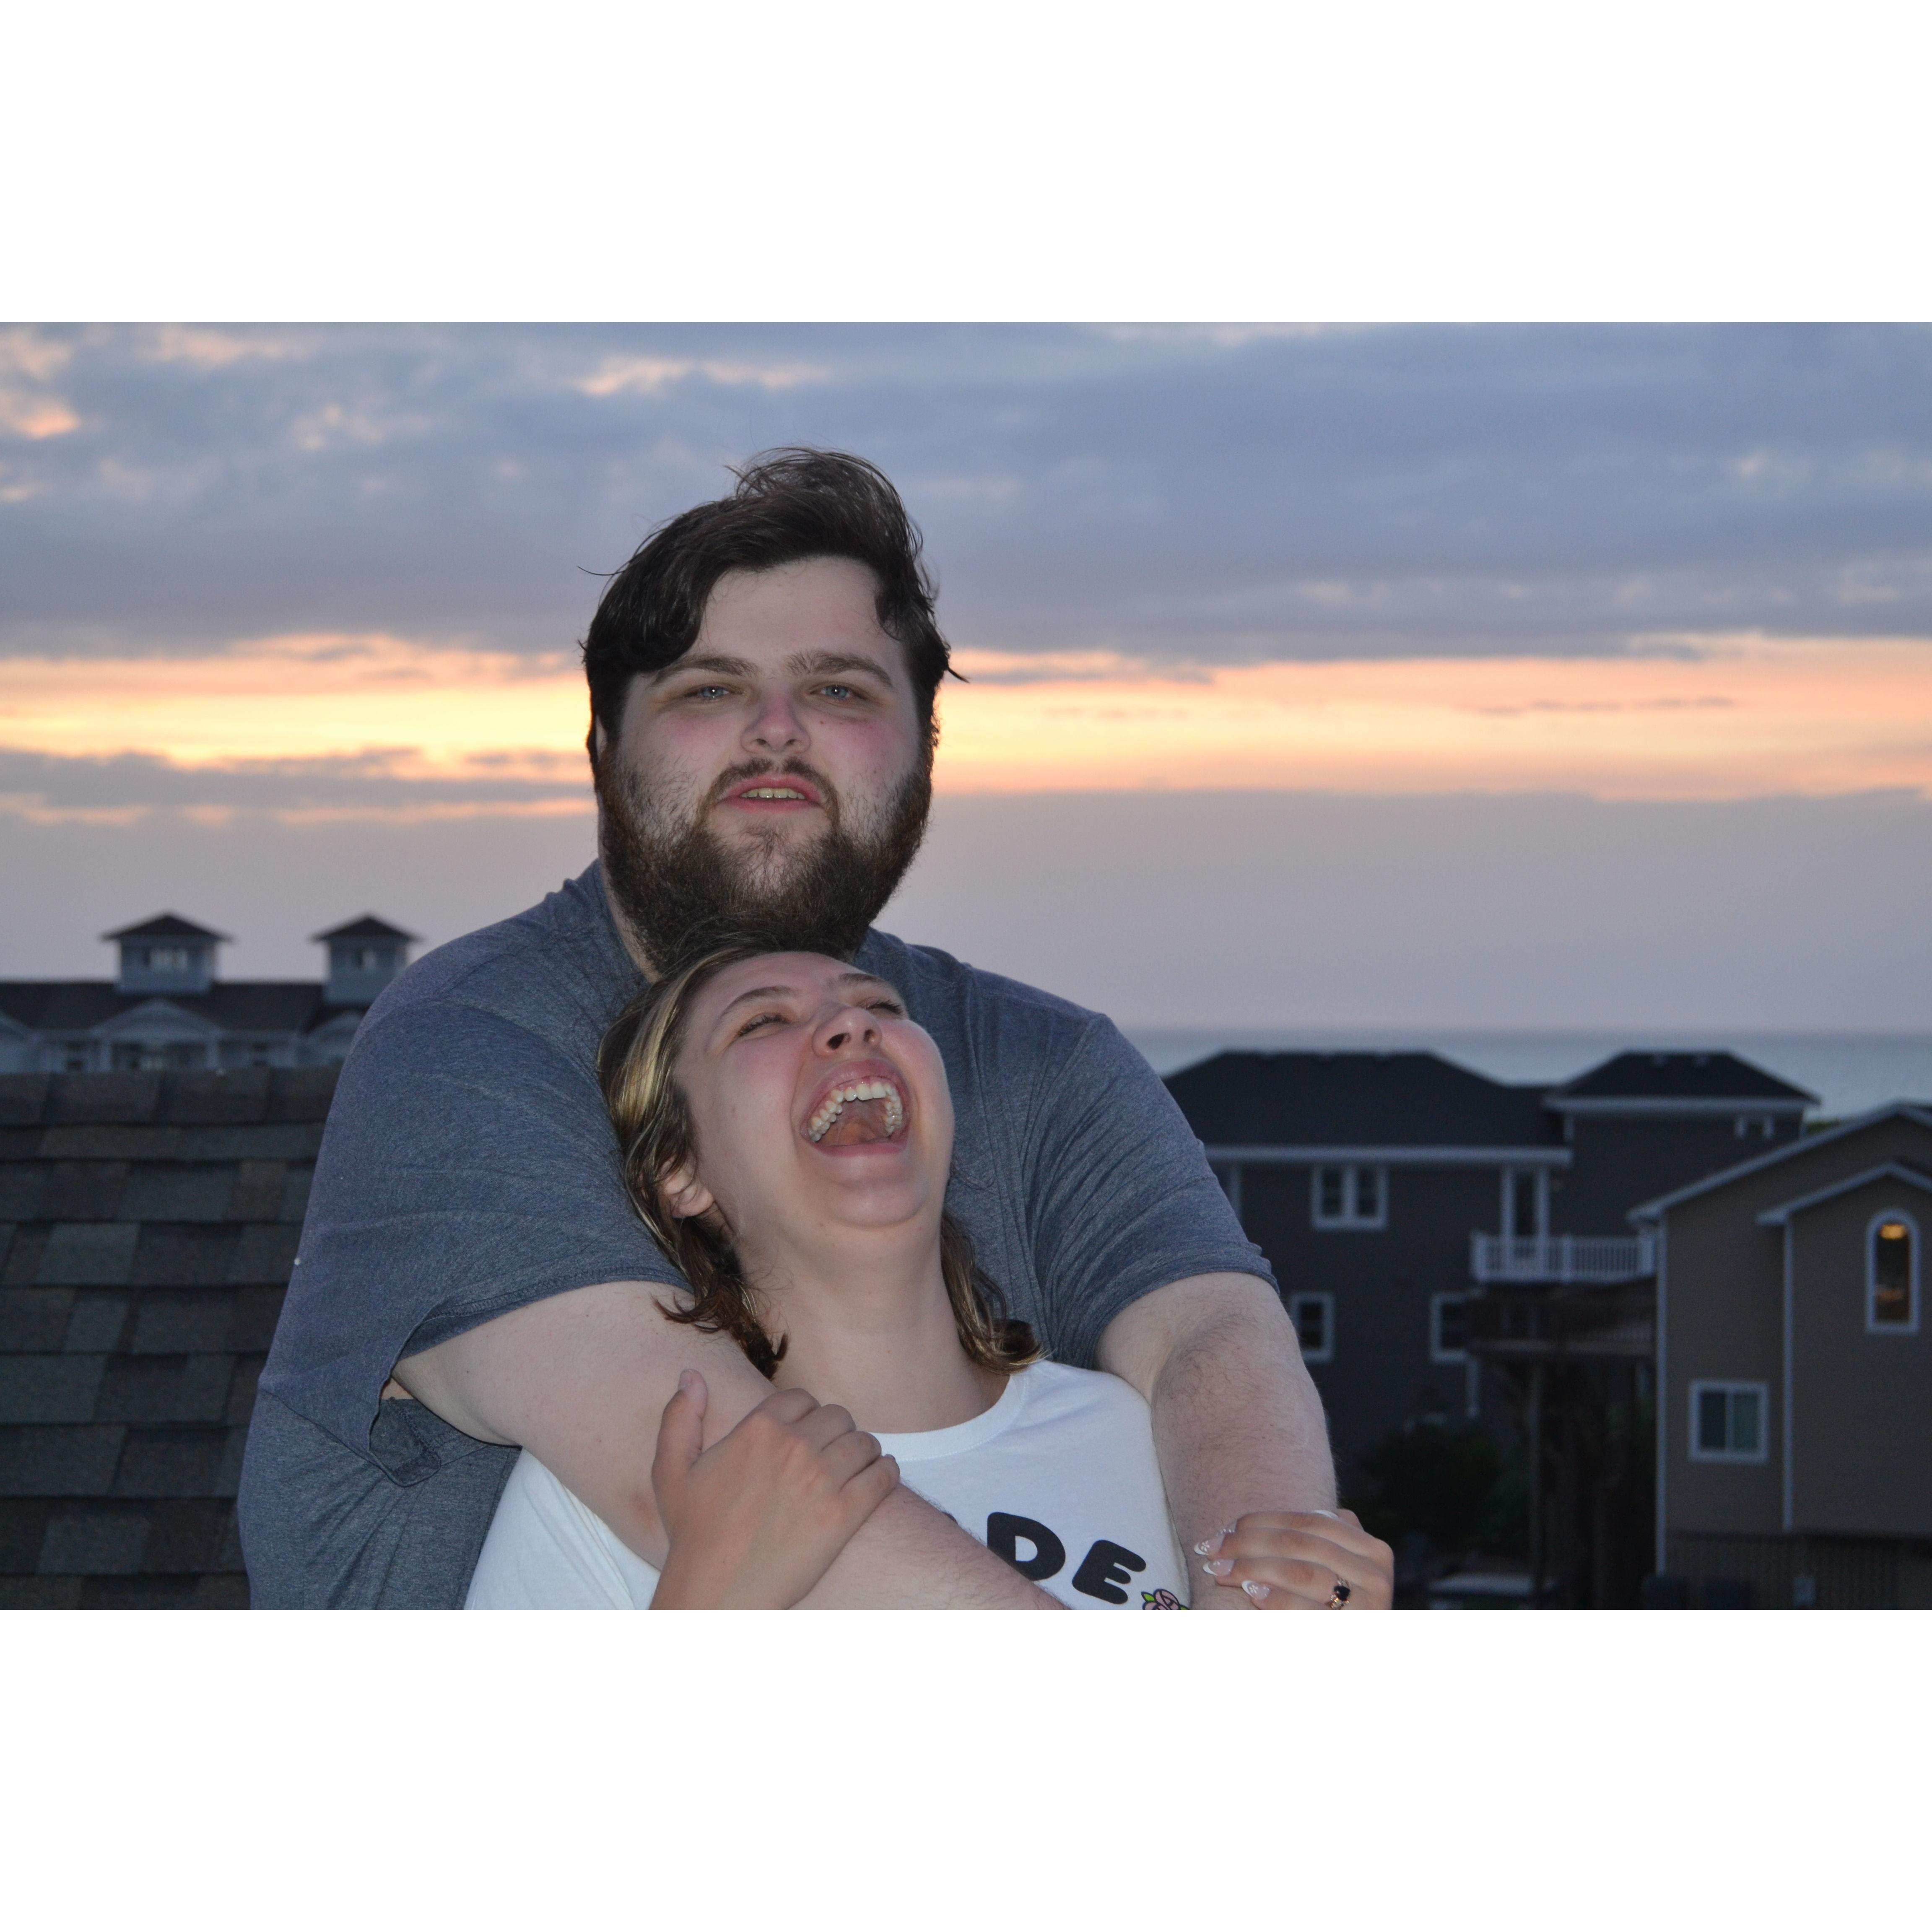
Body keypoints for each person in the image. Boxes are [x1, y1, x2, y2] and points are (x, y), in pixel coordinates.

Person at [239, 449, 1393, 1611]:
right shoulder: (470, 1049)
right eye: (708, 690)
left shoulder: (1045, 1065)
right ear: (601, 748)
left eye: (840, 690)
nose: (776, 732)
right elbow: (723, 1472)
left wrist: (1271, 1602)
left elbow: (1209, 1335)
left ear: (924, 748)